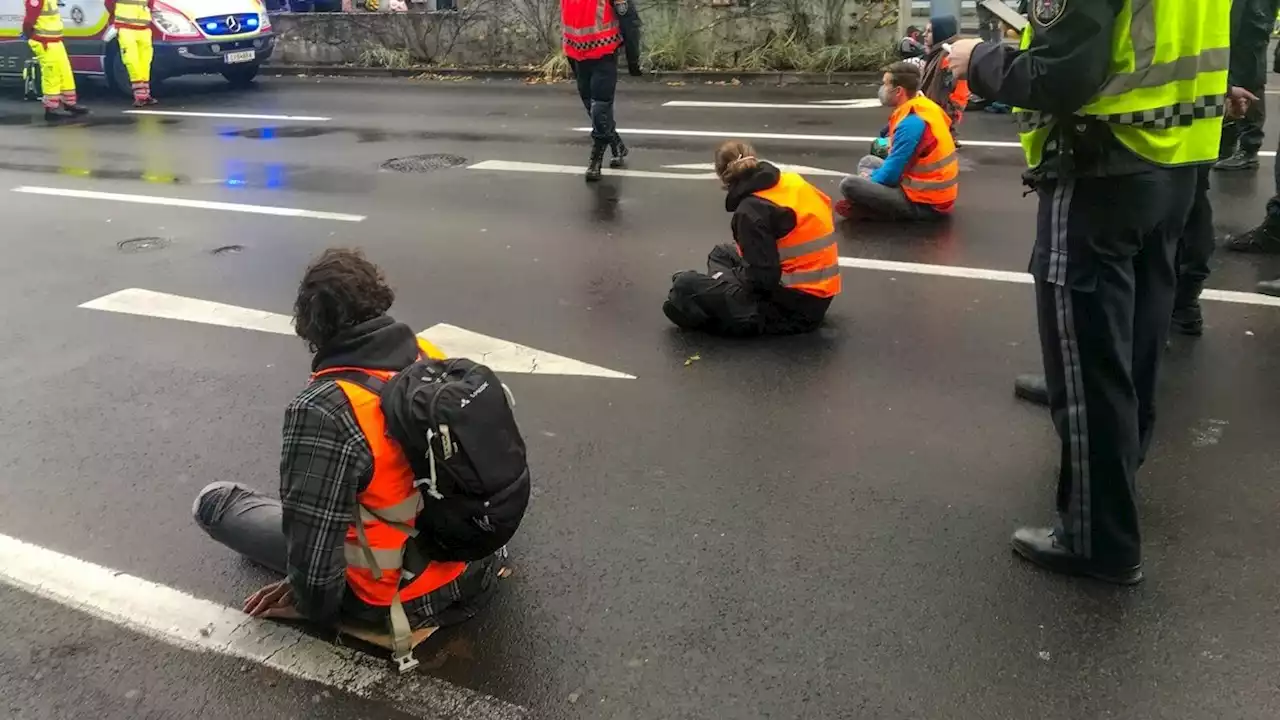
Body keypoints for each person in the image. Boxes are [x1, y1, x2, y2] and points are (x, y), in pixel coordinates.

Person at [948, 0, 1229, 583]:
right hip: (1177, 159)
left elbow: (1062, 76)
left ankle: (1096, 535)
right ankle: (1121, 475)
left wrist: (975, 59)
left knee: (1086, 363)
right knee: (1135, 345)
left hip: (1101, 166)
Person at [193, 249, 501, 659]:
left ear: (310, 329)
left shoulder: (326, 407)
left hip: (401, 594)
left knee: (215, 502)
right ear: (378, 299)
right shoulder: (426, 354)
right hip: (470, 558)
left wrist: (309, 604)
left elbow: (315, 555)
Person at [663, 140, 840, 336]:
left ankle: (712, 305)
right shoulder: (790, 181)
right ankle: (714, 290)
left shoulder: (751, 210)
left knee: (684, 283)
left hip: (793, 308)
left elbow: (763, 281)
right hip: (819, 293)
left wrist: (730, 279)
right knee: (721, 253)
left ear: (723, 177)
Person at [835, 62, 958, 223]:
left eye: (885, 84)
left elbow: (890, 175)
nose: (882, 89)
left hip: (927, 204)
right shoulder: (924, 106)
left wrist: (869, 182)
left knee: (849, 185)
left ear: (899, 91)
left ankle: (874, 210)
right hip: (926, 188)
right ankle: (869, 204)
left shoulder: (911, 123)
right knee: (868, 161)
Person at [562, 0, 642, 181]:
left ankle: (595, 160)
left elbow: (629, 20)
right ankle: (617, 145)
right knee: (591, 107)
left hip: (604, 54)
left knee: (600, 108)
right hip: (577, 55)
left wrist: (633, 59)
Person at [1214, 0, 1279, 171]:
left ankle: (1249, 147)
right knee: (1231, 77)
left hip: (1253, 24)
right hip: (1243, 18)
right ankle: (1227, 144)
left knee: (1250, 81)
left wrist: (1260, 24)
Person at [23, 0, 89, 120]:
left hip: (55, 41)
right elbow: (29, 21)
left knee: (65, 72)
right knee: (51, 74)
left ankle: (69, 103)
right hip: (44, 42)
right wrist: (30, 36)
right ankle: (50, 109)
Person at [106, 0, 158, 107]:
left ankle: (145, 94)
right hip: (126, 27)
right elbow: (109, 3)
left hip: (144, 28)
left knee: (145, 62)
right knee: (131, 60)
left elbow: (150, 4)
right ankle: (140, 95)